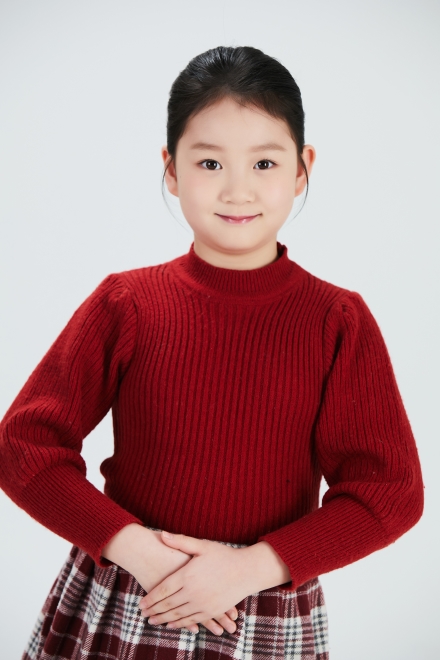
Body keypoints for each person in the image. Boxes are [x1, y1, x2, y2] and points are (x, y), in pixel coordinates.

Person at [0, 45, 424, 660]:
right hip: (131, 592)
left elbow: (390, 492)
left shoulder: (336, 321)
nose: (236, 189)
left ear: (302, 169)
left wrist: (251, 567)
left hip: (263, 604)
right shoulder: (127, 303)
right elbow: (24, 444)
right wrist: (139, 551)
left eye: (264, 163)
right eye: (208, 162)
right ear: (171, 170)